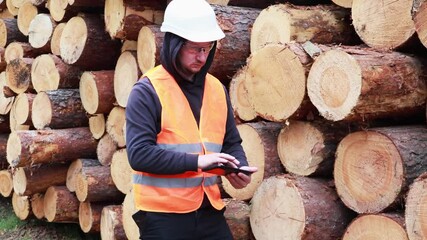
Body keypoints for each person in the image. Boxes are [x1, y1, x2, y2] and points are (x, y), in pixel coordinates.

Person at [125, 0, 257, 239]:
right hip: (162, 216)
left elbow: (231, 142)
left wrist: (238, 168)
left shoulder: (216, 88)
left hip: (209, 212)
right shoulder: (147, 90)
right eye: (195, 48)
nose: (202, 57)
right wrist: (198, 162)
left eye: (207, 49)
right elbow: (139, 154)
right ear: (174, 44)